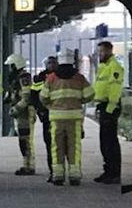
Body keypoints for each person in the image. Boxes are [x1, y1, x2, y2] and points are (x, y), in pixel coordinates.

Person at [40, 49, 94, 186]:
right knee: (74, 146)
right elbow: (90, 95)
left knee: (56, 147)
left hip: (56, 118)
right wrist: (78, 100)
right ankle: (74, 175)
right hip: (74, 117)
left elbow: (43, 97)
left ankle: (58, 174)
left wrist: (51, 105)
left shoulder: (51, 78)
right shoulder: (79, 78)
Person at [93, 41, 124, 184]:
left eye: (102, 52)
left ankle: (114, 173)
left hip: (110, 107)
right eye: (99, 52)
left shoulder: (114, 67)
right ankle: (108, 171)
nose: (100, 54)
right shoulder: (103, 67)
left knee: (110, 142)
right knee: (104, 142)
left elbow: (115, 89)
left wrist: (110, 109)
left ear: (110, 51)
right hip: (103, 106)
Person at [3, 53, 37, 176]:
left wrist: (16, 108)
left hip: (25, 112)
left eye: (11, 66)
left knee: (26, 140)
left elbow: (26, 97)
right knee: (23, 140)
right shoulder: (16, 78)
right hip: (21, 113)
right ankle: (26, 164)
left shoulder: (24, 77)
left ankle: (29, 166)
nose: (10, 68)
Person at [32, 55, 57, 182]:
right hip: (47, 115)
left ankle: (59, 170)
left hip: (59, 114)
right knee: (49, 143)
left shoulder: (60, 76)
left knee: (60, 144)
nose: (51, 65)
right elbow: (35, 95)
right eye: (49, 63)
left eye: (54, 62)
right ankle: (53, 170)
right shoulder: (41, 77)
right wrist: (39, 111)